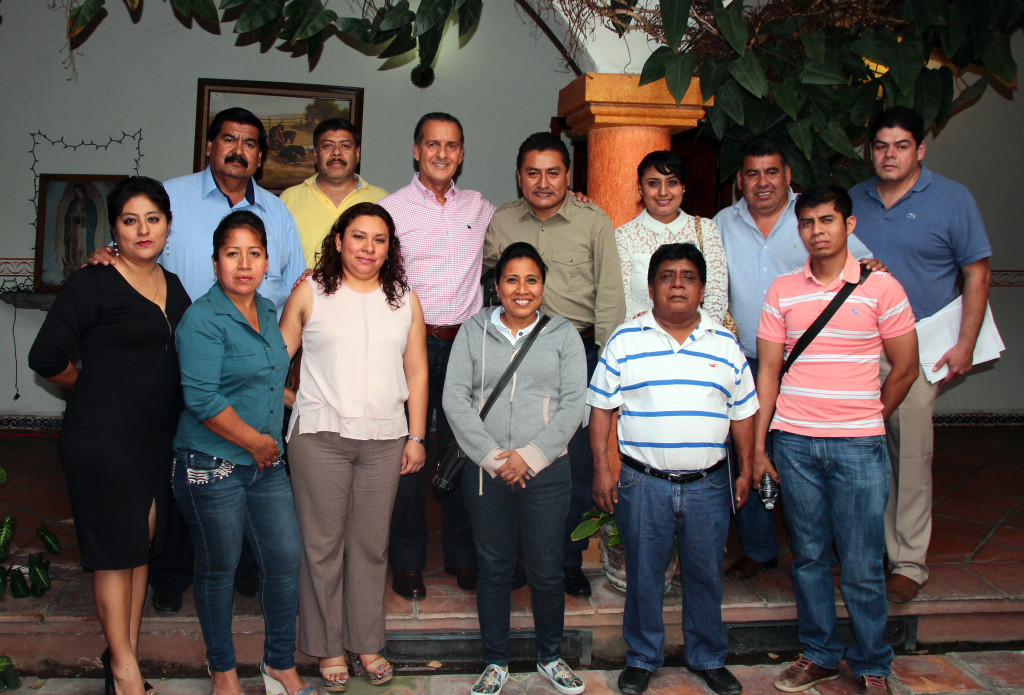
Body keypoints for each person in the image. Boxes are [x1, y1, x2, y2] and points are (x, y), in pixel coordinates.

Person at [89, 107, 307, 614]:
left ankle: (246, 572)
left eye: (250, 142)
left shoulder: (277, 212)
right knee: (177, 465)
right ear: (209, 147)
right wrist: (106, 255)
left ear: (261, 154)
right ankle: (169, 572)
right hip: (172, 357)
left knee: (248, 473)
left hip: (254, 364)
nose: (238, 149)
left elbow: (295, 285)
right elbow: (136, 244)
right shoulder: (174, 198)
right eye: (228, 139)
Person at [29, 176, 191, 695]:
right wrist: (90, 384)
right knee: (116, 548)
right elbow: (45, 358)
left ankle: (125, 650)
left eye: (153, 219)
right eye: (129, 220)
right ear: (113, 228)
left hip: (154, 438)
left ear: (168, 224)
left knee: (141, 542)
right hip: (102, 437)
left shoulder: (174, 283)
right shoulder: (92, 281)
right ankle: (124, 671)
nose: (143, 230)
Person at [754, 186, 919, 695]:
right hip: (796, 444)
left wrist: (868, 416)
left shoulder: (881, 289)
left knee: (864, 561)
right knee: (808, 557)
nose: (817, 230)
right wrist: (760, 446)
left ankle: (872, 662)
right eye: (807, 222)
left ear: (849, 225)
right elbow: (768, 373)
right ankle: (820, 654)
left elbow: (906, 368)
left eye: (827, 220)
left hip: (858, 447)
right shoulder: (782, 290)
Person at [588, 243, 758, 695]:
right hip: (645, 483)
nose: (677, 283)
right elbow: (601, 410)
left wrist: (744, 470)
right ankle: (643, 657)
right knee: (644, 574)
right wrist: (604, 471)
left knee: (704, 574)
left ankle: (707, 656)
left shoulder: (725, 345)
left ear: (702, 289)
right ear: (651, 287)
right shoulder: (626, 339)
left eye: (687, 276)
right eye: (667, 276)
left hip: (707, 484)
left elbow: (742, 412)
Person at [279, 202, 428, 690]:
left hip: (385, 439)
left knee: (370, 547)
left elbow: (417, 371)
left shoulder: (404, 298)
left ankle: (366, 641)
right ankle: (325, 648)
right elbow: (277, 356)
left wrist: (416, 434)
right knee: (322, 547)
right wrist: (289, 398)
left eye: (379, 239)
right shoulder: (312, 292)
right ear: (338, 240)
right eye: (358, 237)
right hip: (320, 437)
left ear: (390, 248)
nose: (368, 248)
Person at [713, 136, 875, 581]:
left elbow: (862, 268)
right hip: (747, 360)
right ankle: (760, 546)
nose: (761, 182)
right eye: (751, 173)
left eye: (771, 172)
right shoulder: (722, 223)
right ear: (740, 181)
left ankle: (836, 552)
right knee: (746, 451)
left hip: (809, 364)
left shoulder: (813, 217)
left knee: (808, 453)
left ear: (787, 176)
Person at [849, 107, 993, 604]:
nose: (890, 155)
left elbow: (977, 273)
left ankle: (908, 561)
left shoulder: (952, 199)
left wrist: (966, 344)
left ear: (920, 150)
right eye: (881, 145)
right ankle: (863, 551)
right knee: (858, 453)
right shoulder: (852, 201)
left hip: (918, 349)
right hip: (858, 350)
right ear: (870, 150)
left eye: (901, 145)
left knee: (910, 453)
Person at [172, 211, 315, 695]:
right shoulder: (202, 318)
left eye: (254, 253)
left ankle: (278, 662)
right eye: (232, 254)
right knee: (220, 567)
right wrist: (257, 442)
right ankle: (223, 672)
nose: (244, 263)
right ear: (215, 263)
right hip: (212, 464)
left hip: (264, 465)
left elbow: (273, 381)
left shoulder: (269, 312)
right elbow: (203, 399)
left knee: (284, 559)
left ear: (267, 261)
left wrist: (316, 406)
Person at [484, 131, 625, 599]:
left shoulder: (593, 220)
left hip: (578, 355)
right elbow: (486, 288)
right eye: (532, 172)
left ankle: (564, 561)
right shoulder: (500, 221)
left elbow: (609, 296)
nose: (543, 182)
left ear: (569, 175)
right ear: (519, 177)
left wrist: (607, 366)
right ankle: (521, 559)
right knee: (513, 452)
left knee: (574, 464)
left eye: (554, 172)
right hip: (513, 354)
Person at [443, 242, 587, 695]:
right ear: (497, 285)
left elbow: (572, 407)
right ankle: (495, 661)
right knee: (494, 568)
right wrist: (493, 458)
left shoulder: (564, 334)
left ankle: (550, 655)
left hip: (546, 472)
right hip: (488, 473)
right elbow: (455, 400)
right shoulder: (472, 331)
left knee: (546, 570)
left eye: (531, 280)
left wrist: (530, 456)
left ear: (543, 286)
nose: (521, 290)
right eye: (511, 279)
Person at [378, 112, 494, 599]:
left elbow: (533, 218)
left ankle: (464, 557)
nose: (442, 153)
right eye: (432, 144)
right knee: (409, 452)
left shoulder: (481, 207)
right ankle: (407, 562)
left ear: (462, 154)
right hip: (411, 345)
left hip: (468, 343)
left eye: (451, 145)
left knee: (464, 451)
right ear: (415, 149)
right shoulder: (391, 209)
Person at [616, 150, 727, 321]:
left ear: (683, 186)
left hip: (699, 340)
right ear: (640, 187)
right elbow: (621, 302)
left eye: (672, 182)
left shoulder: (706, 230)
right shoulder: (623, 236)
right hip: (641, 339)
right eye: (653, 183)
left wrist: (695, 335)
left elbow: (716, 298)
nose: (663, 192)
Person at [280, 117, 388, 268]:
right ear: (315, 155)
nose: (336, 153)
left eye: (345, 146)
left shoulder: (382, 200)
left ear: (357, 154)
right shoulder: (288, 199)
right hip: (303, 291)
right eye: (327, 146)